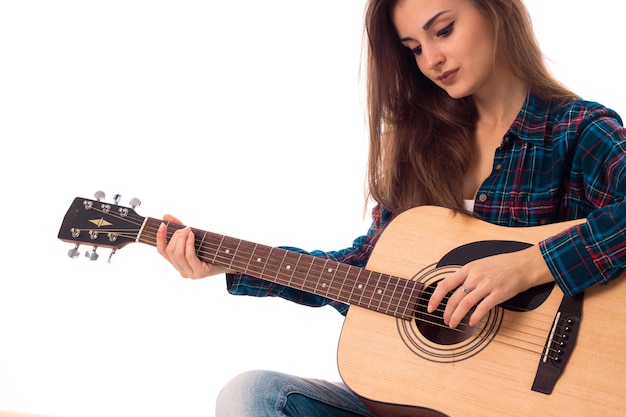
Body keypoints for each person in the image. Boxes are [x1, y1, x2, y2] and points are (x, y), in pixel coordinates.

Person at [156, 0, 626, 416]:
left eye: (442, 30)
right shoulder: (417, 147)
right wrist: (228, 261)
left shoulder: (576, 130)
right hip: (426, 402)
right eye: (413, 48)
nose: (432, 59)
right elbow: (367, 273)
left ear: (496, 10)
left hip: (541, 403)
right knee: (252, 395)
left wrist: (528, 266)